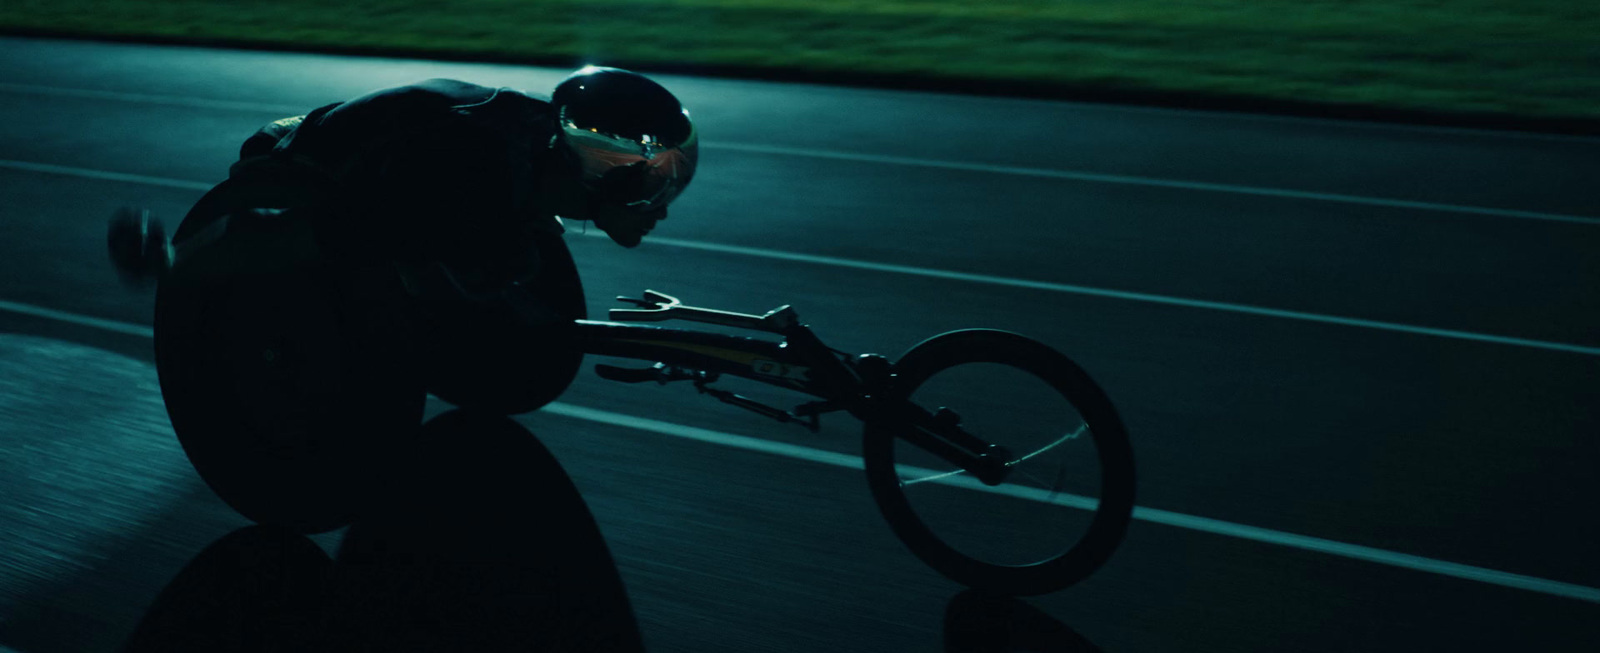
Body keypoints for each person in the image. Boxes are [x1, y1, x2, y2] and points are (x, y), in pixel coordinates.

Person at [116, 65, 698, 415]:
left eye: (668, 179)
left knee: (493, 257)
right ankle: (167, 261)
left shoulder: (544, 148)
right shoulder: (461, 174)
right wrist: (174, 264)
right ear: (599, 174)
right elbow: (306, 237)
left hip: (424, 162)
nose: (660, 209)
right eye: (650, 184)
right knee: (363, 252)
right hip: (306, 163)